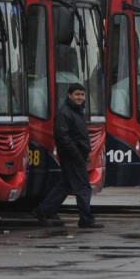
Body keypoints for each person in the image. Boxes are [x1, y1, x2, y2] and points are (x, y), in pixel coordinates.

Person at [32, 83, 104, 228]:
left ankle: (42, 211)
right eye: (77, 94)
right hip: (72, 156)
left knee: (64, 186)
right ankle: (86, 219)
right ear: (69, 95)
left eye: (82, 94)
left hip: (76, 155)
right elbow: (62, 137)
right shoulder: (65, 112)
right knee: (83, 187)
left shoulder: (77, 111)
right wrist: (77, 155)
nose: (80, 97)